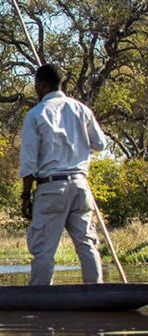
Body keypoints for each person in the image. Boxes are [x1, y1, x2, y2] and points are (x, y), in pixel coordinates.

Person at [19, 63, 107, 286]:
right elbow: (100, 144)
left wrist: (25, 196)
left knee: (44, 250)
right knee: (87, 244)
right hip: (80, 186)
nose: (35, 88)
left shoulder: (36, 114)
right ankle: (95, 293)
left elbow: (29, 162)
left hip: (51, 188)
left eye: (36, 84)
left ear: (43, 84)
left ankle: (39, 299)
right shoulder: (81, 109)